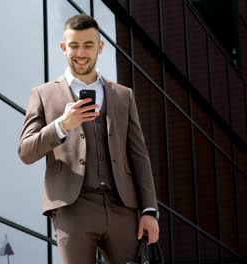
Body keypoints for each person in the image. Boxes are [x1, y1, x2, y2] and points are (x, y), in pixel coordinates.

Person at [18, 14, 159, 263]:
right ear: (63, 47)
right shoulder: (43, 94)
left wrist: (149, 210)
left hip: (122, 208)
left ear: (100, 47)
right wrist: (61, 125)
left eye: (88, 45)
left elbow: (138, 154)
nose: (80, 52)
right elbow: (26, 151)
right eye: (74, 45)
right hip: (73, 208)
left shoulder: (124, 96)